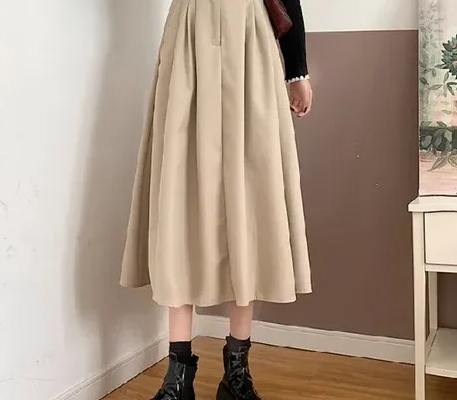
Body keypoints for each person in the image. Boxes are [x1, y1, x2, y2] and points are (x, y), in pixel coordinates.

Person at [120, 0, 313, 398]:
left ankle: (236, 374)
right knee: (179, 197)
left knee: (251, 201)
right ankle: (178, 377)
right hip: (188, 37)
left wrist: (297, 71)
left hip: (250, 39)